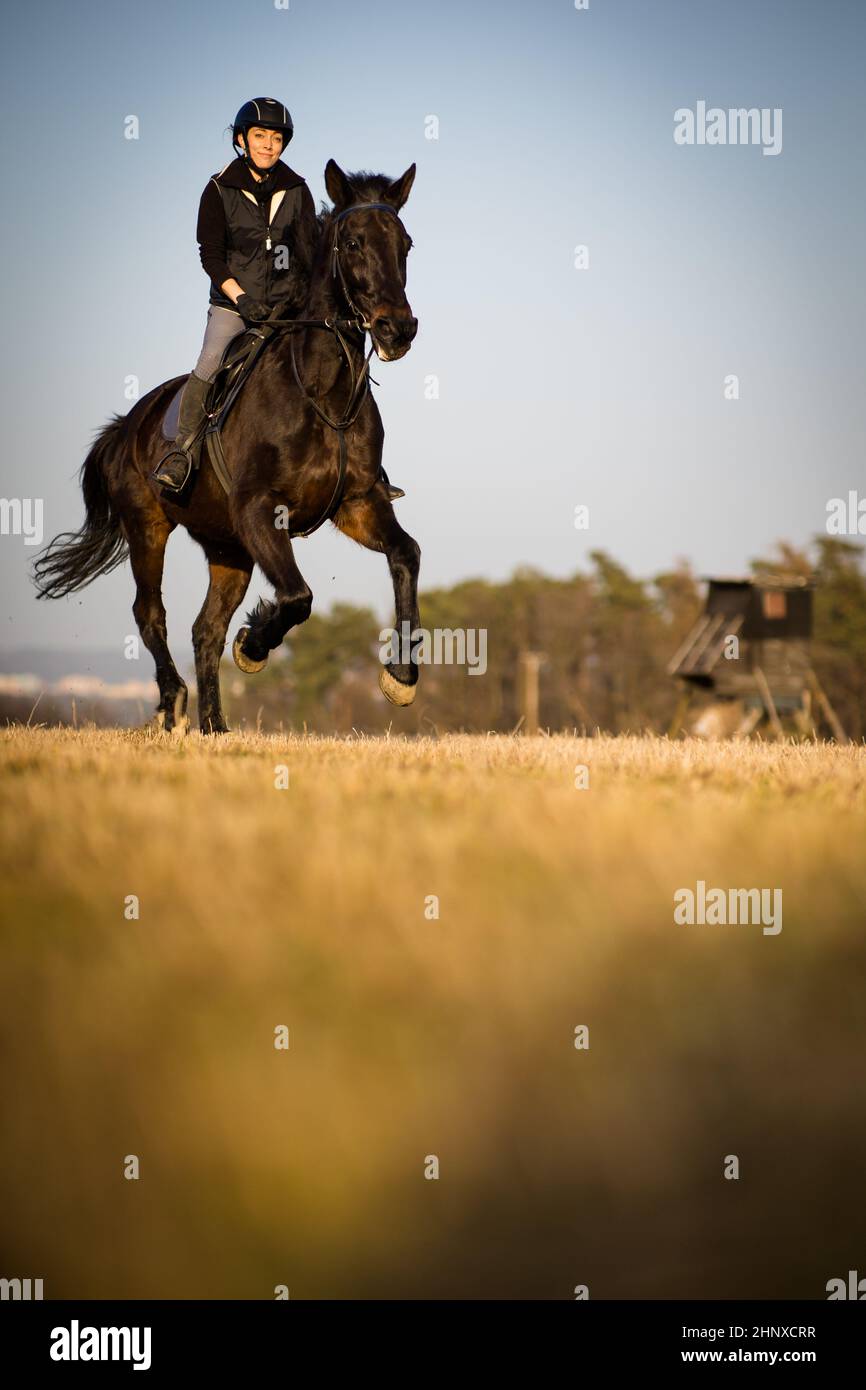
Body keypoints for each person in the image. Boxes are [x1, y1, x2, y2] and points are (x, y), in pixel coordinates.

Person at [153, 98, 319, 492]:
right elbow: (210, 255)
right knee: (211, 361)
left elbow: (308, 253)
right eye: (260, 136)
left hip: (286, 310)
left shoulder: (298, 190)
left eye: (276, 138)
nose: (268, 145)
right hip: (234, 306)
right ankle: (183, 452)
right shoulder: (218, 189)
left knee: (329, 361)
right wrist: (242, 299)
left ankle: (364, 468)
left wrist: (293, 298)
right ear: (242, 139)